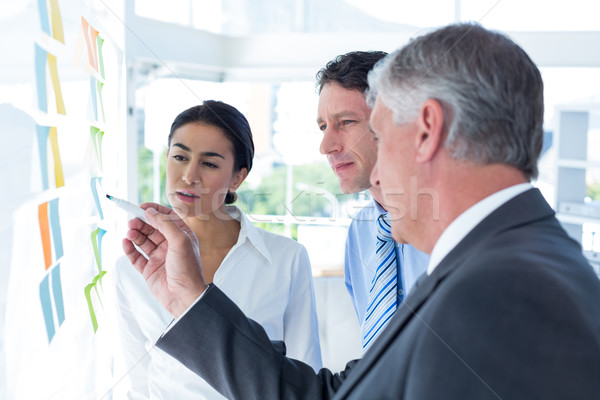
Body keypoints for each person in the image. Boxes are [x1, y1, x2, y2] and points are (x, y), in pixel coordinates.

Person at [123, 24, 600, 399]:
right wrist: (190, 298)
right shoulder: (501, 262)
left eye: (380, 131)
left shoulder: (508, 289)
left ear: (427, 129)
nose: (375, 174)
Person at [113, 100, 322, 399]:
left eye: (209, 163)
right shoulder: (133, 269)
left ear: (237, 177)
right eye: (180, 156)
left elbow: (306, 372)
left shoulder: (286, 259)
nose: (189, 176)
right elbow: (137, 384)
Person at [316, 52, 429, 349]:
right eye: (323, 127)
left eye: (347, 122)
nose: (326, 146)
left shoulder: (449, 225)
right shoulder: (361, 233)